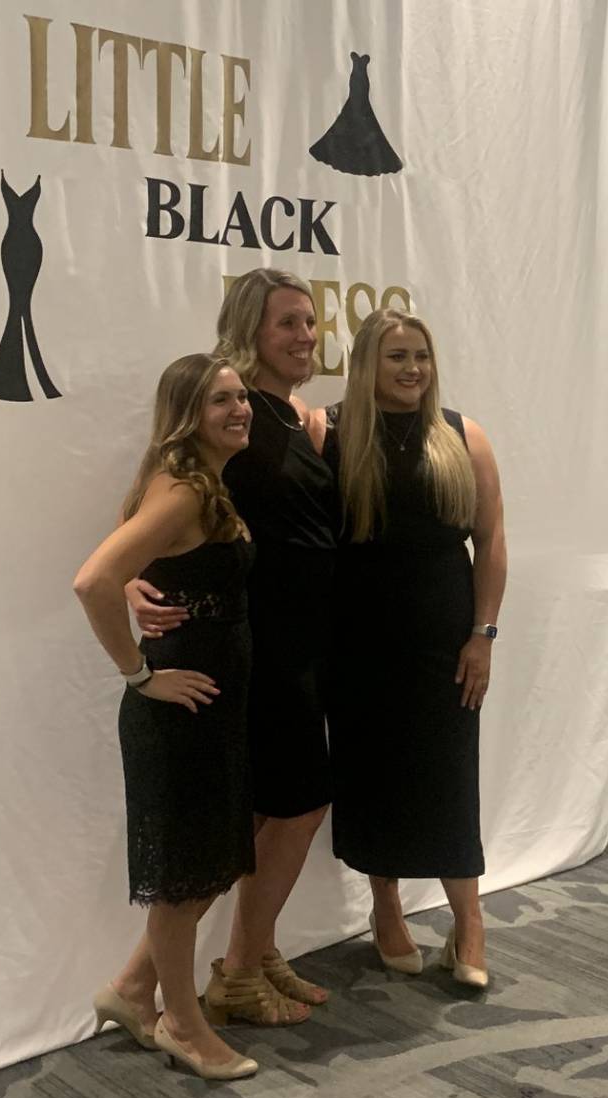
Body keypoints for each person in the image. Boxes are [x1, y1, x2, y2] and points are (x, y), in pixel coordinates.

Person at [129, 268, 335, 1026]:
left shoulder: (282, 416)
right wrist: (129, 579)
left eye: (311, 323)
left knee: (258, 817)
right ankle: (240, 969)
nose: (305, 336)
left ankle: (243, 951)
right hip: (265, 641)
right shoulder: (235, 418)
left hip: (299, 642)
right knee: (292, 807)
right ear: (250, 330)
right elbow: (165, 483)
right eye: (288, 323)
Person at [76, 354, 257, 1080]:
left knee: (207, 867)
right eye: (221, 400)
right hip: (178, 709)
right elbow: (94, 580)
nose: (239, 408)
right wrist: (140, 674)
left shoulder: (196, 483)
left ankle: (129, 989)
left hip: (213, 704)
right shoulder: (184, 489)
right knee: (183, 880)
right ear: (189, 413)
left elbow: (133, 551)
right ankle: (182, 1025)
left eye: (242, 396)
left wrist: (138, 588)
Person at [325, 309, 507, 984]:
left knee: (449, 778)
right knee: (371, 777)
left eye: (421, 356)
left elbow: (490, 542)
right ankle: (387, 908)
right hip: (356, 643)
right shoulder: (332, 433)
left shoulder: (462, 435)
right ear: (366, 363)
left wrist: (483, 634)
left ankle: (470, 925)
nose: (412, 370)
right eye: (397, 356)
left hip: (444, 641)